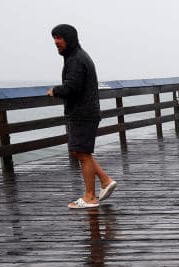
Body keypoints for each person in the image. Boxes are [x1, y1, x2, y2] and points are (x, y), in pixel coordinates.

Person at [46, 24, 118, 209]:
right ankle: (105, 180)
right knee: (80, 152)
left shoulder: (76, 59)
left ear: (69, 38)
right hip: (85, 112)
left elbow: (72, 88)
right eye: (54, 38)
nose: (56, 42)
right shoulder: (77, 56)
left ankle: (90, 197)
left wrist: (55, 91)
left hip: (83, 113)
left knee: (82, 154)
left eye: (59, 38)